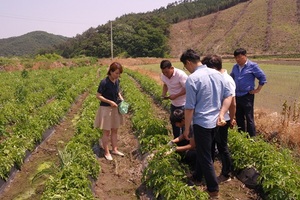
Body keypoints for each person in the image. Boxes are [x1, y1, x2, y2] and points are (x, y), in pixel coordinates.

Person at [180, 49, 233, 199]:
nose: (187, 69)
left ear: (189, 62)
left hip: (202, 123)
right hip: (216, 122)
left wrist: (187, 129)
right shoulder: (218, 74)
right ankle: (197, 176)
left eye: (185, 66)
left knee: (205, 156)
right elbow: (228, 96)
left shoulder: (193, 78)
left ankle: (213, 190)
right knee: (208, 151)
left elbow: (189, 107)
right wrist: (222, 114)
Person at [201, 54, 236, 184]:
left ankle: (227, 173)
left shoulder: (226, 80)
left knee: (222, 147)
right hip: (212, 118)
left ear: (213, 68)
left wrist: (231, 119)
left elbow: (233, 103)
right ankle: (209, 172)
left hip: (222, 120)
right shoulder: (214, 78)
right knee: (211, 146)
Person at [230, 48, 267, 137]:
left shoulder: (252, 66)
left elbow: (262, 77)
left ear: (245, 56)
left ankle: (252, 138)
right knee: (239, 117)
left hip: (247, 96)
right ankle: (242, 136)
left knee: (249, 117)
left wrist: (257, 89)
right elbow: (231, 78)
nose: (238, 59)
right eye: (236, 58)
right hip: (237, 95)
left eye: (239, 57)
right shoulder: (235, 67)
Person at [94, 62, 125, 161]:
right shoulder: (104, 82)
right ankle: (106, 152)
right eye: (116, 73)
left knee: (115, 129)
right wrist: (110, 101)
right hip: (106, 109)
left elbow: (118, 92)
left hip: (115, 108)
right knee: (106, 131)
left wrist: (121, 98)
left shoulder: (117, 81)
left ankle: (115, 149)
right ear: (110, 72)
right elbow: (98, 96)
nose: (118, 75)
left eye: (119, 73)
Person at [160, 60, 188, 146]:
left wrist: (176, 95)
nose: (165, 74)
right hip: (174, 104)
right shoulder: (163, 76)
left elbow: (187, 88)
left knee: (184, 125)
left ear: (172, 68)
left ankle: (185, 144)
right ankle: (176, 142)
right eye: (163, 72)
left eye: (167, 72)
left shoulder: (181, 75)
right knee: (174, 123)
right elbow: (165, 85)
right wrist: (163, 94)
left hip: (183, 104)